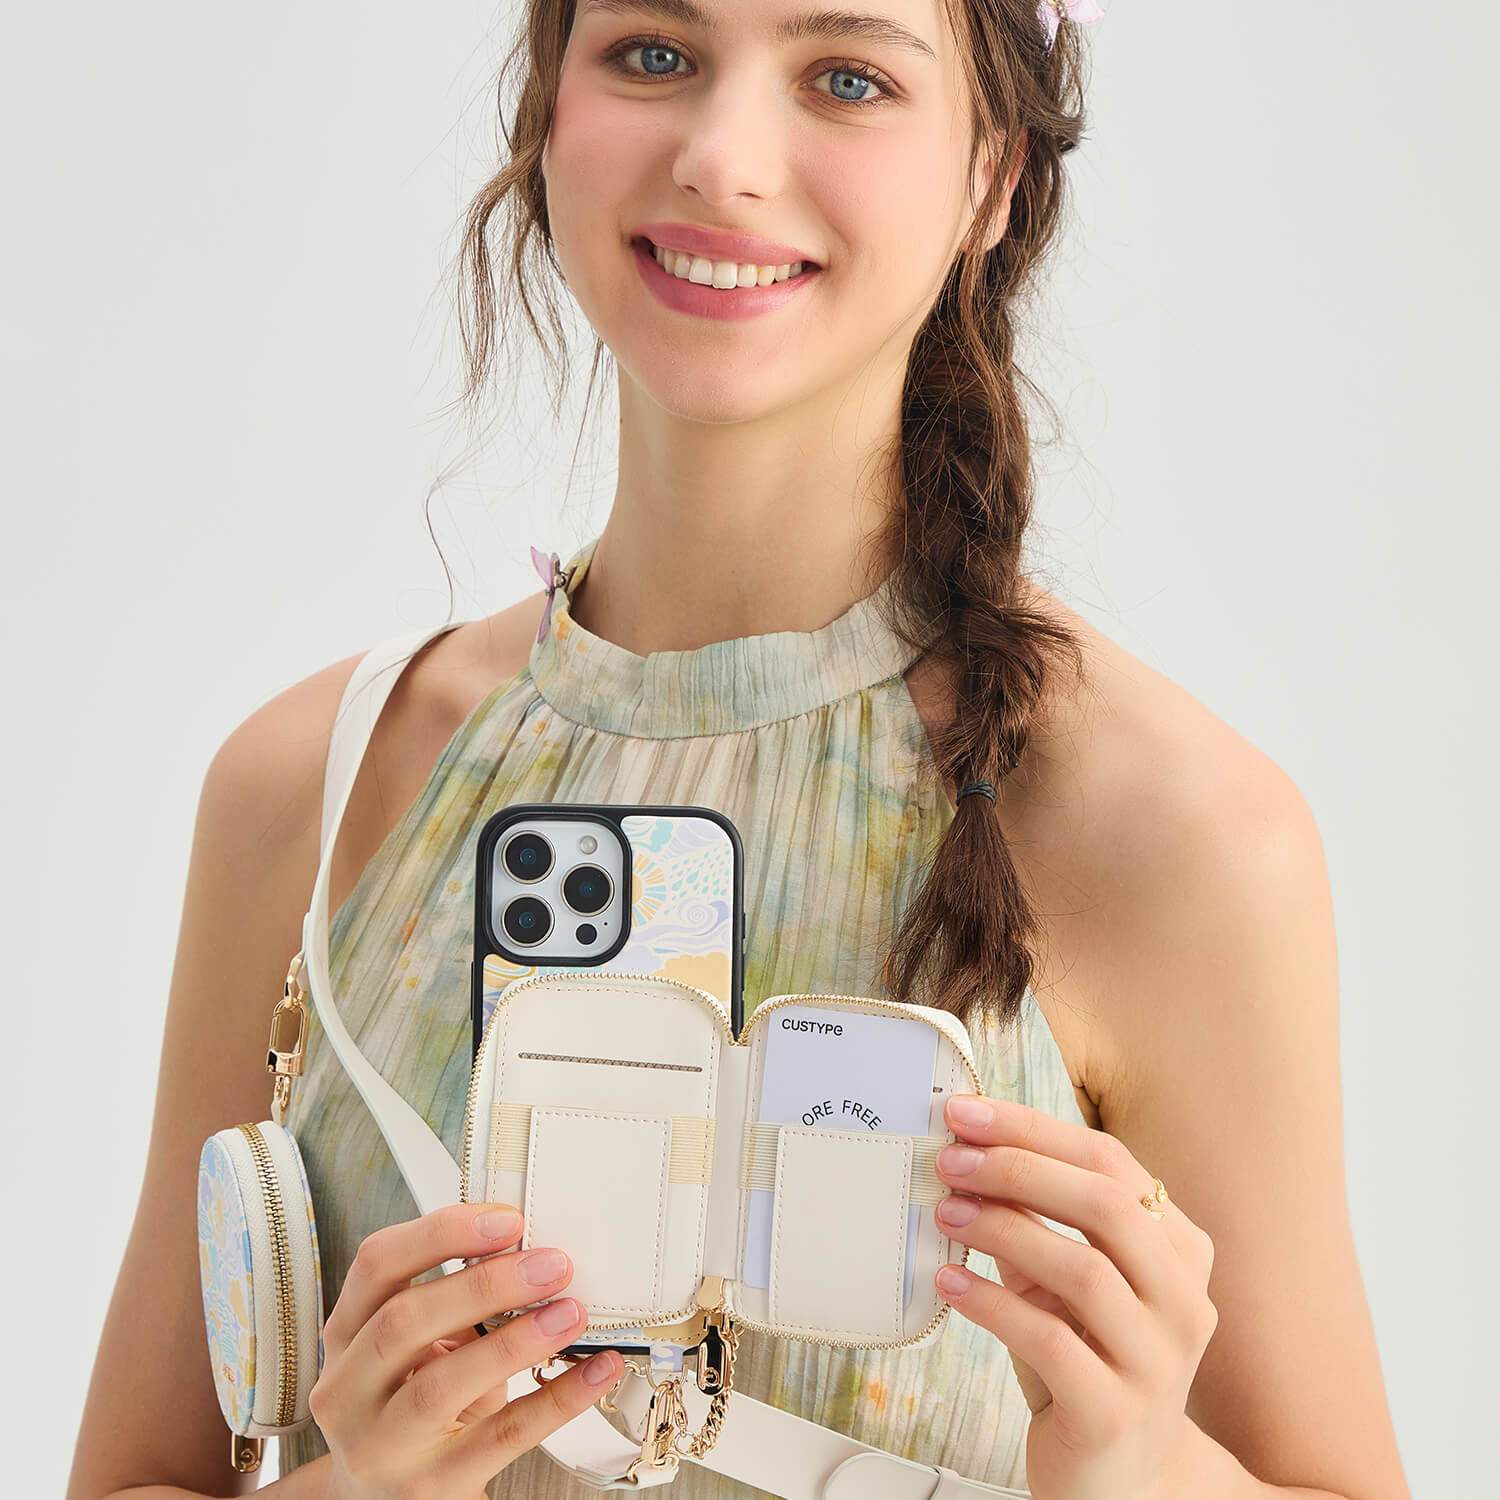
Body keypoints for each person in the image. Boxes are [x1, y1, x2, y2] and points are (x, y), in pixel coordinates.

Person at [67, 3, 1412, 1499]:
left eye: (848, 77)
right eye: (654, 52)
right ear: (547, 111)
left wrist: (1142, 1465)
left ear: (992, 177)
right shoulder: (313, 788)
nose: (723, 157)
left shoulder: (1166, 832)